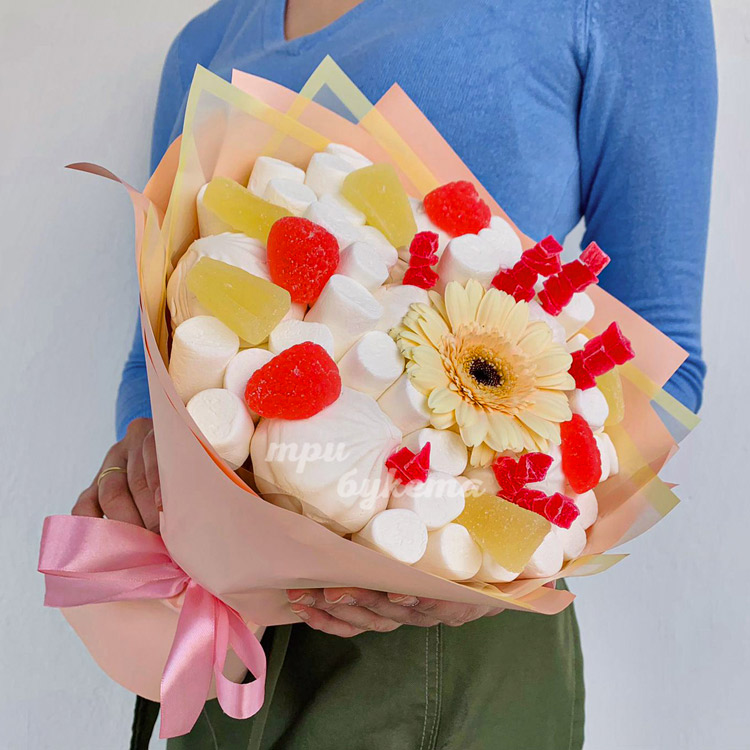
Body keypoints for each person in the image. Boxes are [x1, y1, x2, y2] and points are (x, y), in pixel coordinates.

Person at [72, 1, 717, 748]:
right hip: (223, 613)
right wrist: (141, 468)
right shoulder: (206, 41)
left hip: (449, 625)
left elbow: (664, 358)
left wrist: (487, 572)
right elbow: (150, 349)